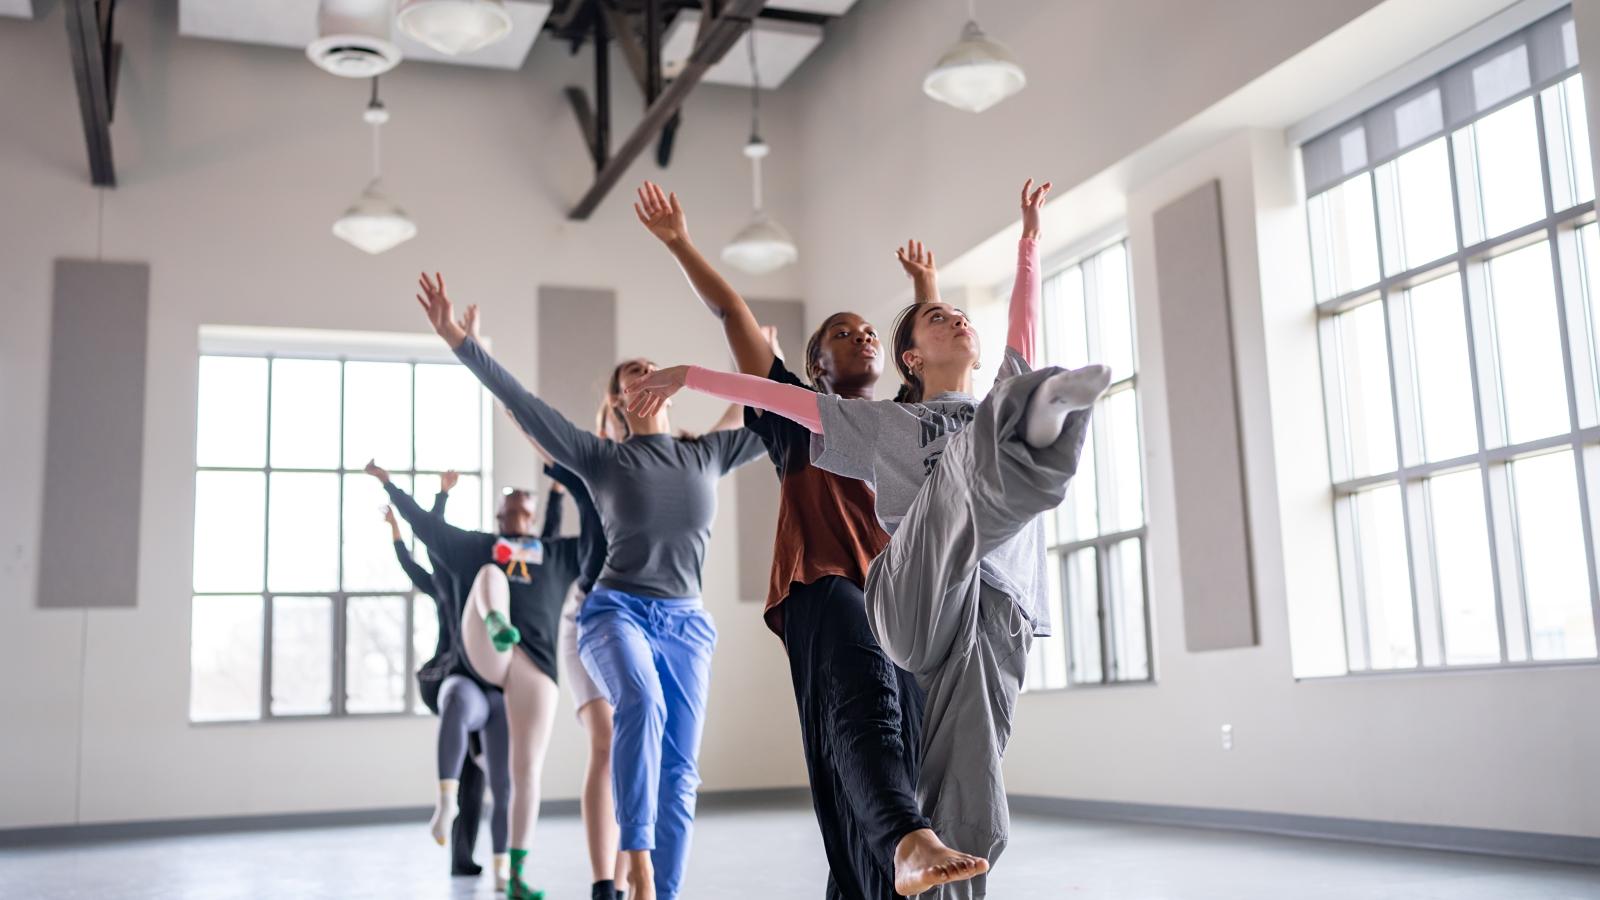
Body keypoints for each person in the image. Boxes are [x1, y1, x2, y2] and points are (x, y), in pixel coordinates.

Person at [624, 180, 1112, 898]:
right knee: (868, 720)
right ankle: (903, 843)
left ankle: (895, 868)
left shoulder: (904, 424)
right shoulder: (813, 418)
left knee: (913, 765)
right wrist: (679, 245)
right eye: (842, 334)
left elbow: (952, 411)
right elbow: (736, 317)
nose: (862, 336)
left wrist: (929, 291)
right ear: (816, 362)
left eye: (871, 331)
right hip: (832, 589)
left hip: (929, 608)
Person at [413, 273, 765, 900]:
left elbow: (779, 415)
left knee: (682, 773)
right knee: (640, 704)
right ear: (619, 404)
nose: (644, 375)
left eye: (654, 369)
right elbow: (523, 403)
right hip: (615, 611)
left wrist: (763, 364)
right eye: (630, 375)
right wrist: (460, 341)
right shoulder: (602, 460)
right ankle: (638, 869)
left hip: (687, 620)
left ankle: (664, 890)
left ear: (674, 386)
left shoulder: (705, 455)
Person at [369, 453, 594, 900]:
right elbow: (430, 532)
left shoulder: (556, 552)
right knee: (492, 572)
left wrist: (568, 475)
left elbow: (597, 532)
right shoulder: (480, 548)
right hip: (489, 652)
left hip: (534, 668)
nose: (517, 517)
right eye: (509, 511)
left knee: (524, 773)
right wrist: (391, 486)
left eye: (524, 511)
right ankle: (495, 618)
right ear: (497, 516)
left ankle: (514, 875)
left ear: (534, 518)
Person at [384, 469, 511, 882]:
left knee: (476, 776)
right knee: (470, 772)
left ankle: (467, 856)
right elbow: (426, 543)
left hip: (484, 680)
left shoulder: (489, 580)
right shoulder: (443, 581)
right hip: (453, 675)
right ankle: (461, 848)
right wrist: (404, 524)